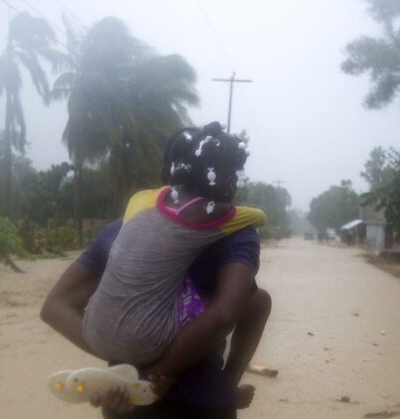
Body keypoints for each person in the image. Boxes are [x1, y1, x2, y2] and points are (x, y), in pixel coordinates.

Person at [41, 127, 271, 419]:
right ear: (230, 179)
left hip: (125, 399)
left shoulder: (122, 229)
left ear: (168, 173)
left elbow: (56, 306)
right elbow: (231, 308)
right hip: (201, 408)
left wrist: (126, 370)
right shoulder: (231, 234)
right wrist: (179, 374)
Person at [81, 121, 267, 371]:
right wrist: (161, 371)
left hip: (92, 332)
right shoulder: (217, 217)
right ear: (221, 181)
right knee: (258, 301)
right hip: (149, 344)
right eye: (232, 177)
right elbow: (259, 216)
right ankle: (224, 385)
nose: (234, 185)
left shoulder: (139, 201)